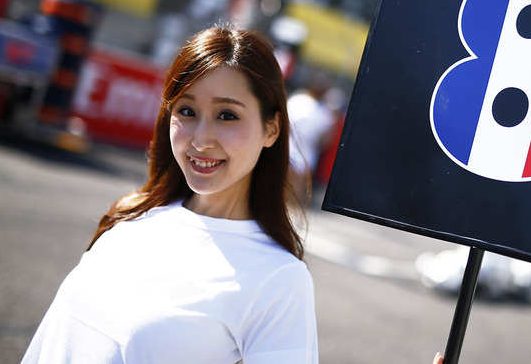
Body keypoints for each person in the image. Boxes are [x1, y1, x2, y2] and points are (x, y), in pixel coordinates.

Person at [22, 25, 318, 363]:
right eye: (187, 111)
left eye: (227, 115)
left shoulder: (280, 280)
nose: (201, 140)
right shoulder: (131, 216)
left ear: (271, 129)